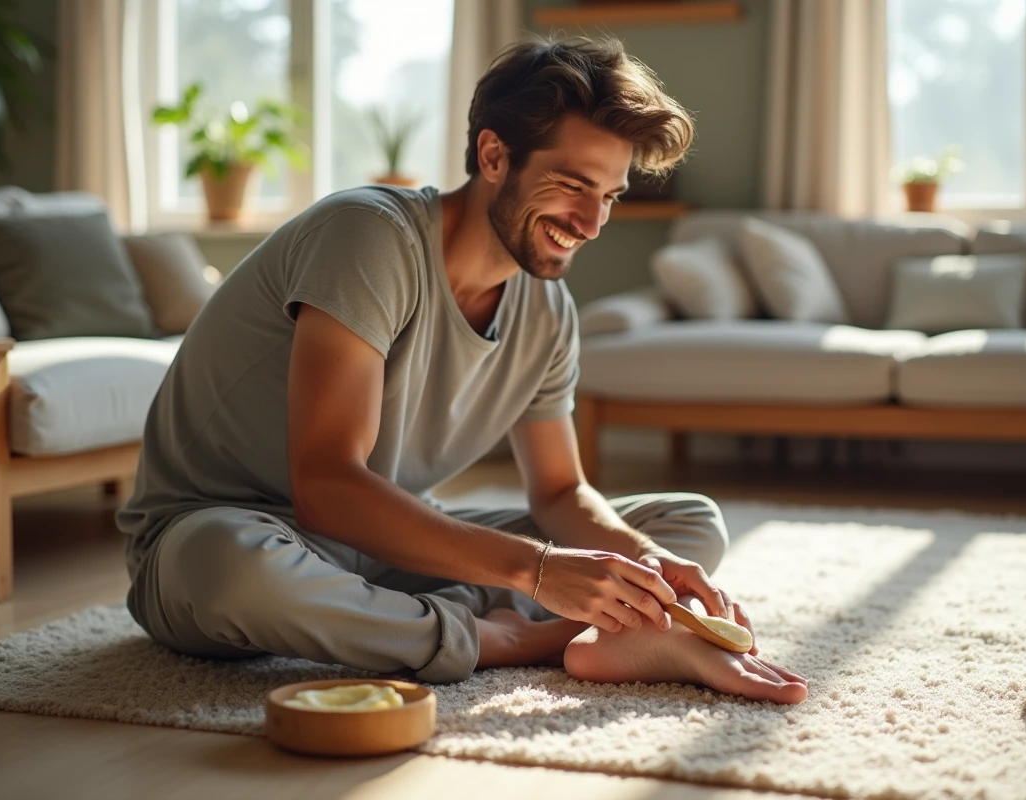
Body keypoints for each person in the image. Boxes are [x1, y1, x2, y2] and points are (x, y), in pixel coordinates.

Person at [117, 35, 808, 705]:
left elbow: (560, 492)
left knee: (686, 524)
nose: (592, 222)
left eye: (610, 195)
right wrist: (538, 571)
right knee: (227, 569)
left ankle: (543, 626)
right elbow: (326, 487)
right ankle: (511, 640)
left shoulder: (547, 310)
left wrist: (647, 567)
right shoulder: (367, 236)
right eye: (572, 185)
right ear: (494, 155)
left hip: (380, 547)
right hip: (226, 539)